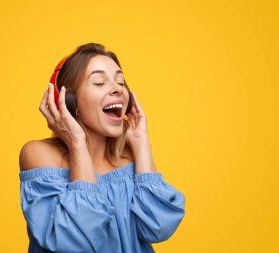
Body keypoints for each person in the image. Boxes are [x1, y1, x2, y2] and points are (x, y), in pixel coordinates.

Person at [18, 43, 186, 253]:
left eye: (120, 82)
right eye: (99, 82)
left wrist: (142, 143)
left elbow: (159, 227)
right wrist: (77, 142)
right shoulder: (39, 154)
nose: (117, 88)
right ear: (69, 101)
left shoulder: (130, 158)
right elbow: (76, 243)